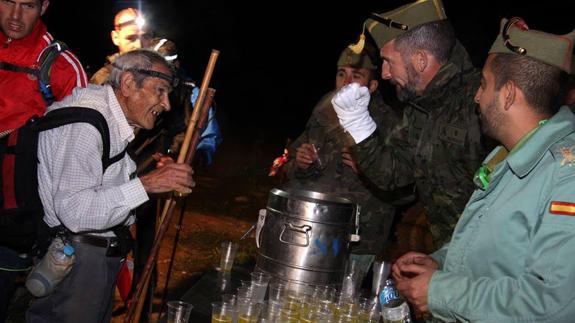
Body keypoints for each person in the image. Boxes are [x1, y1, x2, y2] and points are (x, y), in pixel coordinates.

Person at [391, 18, 575, 322]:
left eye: (484, 85)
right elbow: (492, 248)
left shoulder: (565, 175)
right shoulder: (505, 156)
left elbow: (551, 305)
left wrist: (439, 292)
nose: (477, 96)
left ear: (508, 95)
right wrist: (438, 264)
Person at [26, 49, 194, 323]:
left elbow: (102, 184)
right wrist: (147, 184)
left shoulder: (107, 118)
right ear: (128, 83)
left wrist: (149, 177)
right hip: (78, 263)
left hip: (92, 258)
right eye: (160, 91)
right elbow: (76, 212)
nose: (166, 104)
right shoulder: (85, 124)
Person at [332, 0, 491, 249]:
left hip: (488, 260)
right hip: (448, 253)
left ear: (420, 60)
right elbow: (393, 174)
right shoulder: (419, 107)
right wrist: (359, 126)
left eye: (388, 61)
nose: (384, 73)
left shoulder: (480, 102)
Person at [284, 42, 405, 274]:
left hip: (358, 243)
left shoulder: (389, 124)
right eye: (342, 74)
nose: (346, 83)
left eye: (356, 76)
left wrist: (369, 170)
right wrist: (300, 165)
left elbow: (405, 190)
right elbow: (288, 170)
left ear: (372, 86)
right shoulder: (322, 114)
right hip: (312, 231)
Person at [0, 0, 87, 321]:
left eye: (27, 5)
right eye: (8, 1)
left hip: (14, 219)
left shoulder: (60, 66)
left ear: (44, 7)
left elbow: (80, 153)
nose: (15, 15)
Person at [90, 7, 145, 85]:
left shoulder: (158, 72)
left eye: (145, 37)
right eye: (130, 38)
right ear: (115, 38)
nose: (139, 45)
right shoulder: (102, 81)